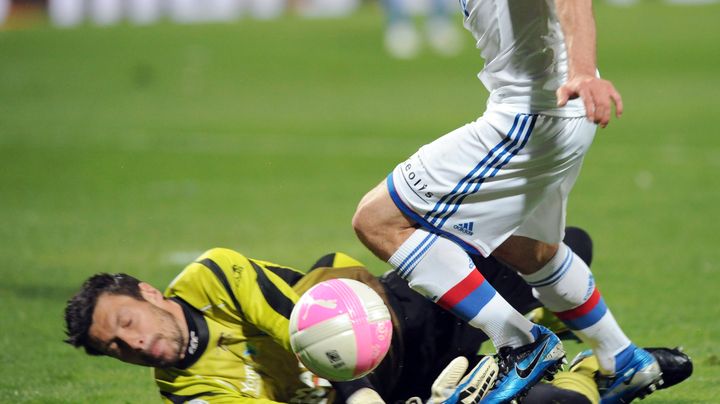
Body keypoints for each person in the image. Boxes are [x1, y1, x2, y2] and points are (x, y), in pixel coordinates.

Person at [351, 0, 660, 402]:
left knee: (379, 221)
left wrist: (582, 70)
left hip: (531, 117)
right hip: (562, 113)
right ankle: (621, 357)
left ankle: (521, 344)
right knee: (528, 250)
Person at [64, 228, 690, 403]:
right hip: (382, 396)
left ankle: (519, 354)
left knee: (562, 249)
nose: (135, 345)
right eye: (117, 350)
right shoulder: (189, 393)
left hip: (394, 324)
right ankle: (597, 378)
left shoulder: (211, 276)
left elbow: (305, 322)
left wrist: (358, 395)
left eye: (125, 324)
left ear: (147, 294)